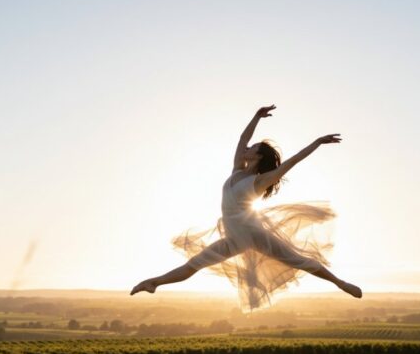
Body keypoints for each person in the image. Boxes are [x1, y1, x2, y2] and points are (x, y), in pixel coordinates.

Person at [130, 105, 362, 312]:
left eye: (253, 147)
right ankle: (153, 283)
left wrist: (317, 142)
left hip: (253, 234)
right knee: (193, 265)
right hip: (233, 238)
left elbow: (292, 161)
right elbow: (242, 138)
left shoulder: (260, 182)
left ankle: (340, 283)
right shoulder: (237, 171)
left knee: (299, 260)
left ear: (259, 156)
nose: (247, 148)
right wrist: (256, 117)